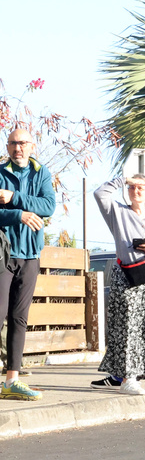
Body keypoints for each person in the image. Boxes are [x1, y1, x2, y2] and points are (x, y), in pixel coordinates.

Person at [94, 171, 145, 399]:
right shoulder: (118, 212)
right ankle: (128, 378)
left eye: (141, 188)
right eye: (132, 188)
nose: (135, 191)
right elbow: (100, 193)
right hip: (126, 275)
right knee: (127, 327)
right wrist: (123, 180)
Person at [0, 129, 56, 400]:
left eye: (22, 143)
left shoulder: (41, 173)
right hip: (3, 255)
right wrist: (18, 215)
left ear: (31, 145)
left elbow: (48, 206)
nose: (17, 148)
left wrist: (14, 199)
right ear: (7, 147)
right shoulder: (0, 172)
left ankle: (12, 380)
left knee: (19, 319)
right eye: (12, 143)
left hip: (31, 256)